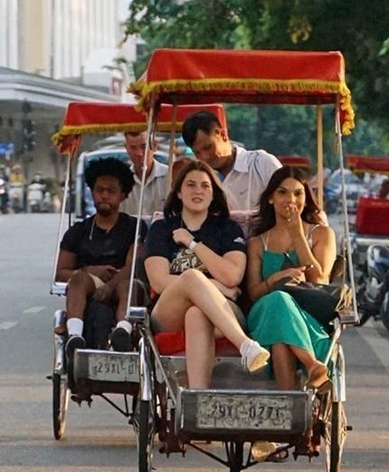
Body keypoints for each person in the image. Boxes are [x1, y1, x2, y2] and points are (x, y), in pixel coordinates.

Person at [144, 160, 270, 389]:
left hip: (224, 310)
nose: (198, 191)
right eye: (190, 185)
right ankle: (245, 346)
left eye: (205, 186)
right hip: (169, 309)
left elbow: (232, 276)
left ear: (213, 195)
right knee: (192, 277)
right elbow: (160, 281)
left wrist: (192, 244)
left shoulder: (227, 229)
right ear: (179, 193)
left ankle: (197, 397)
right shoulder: (161, 229)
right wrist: (213, 286)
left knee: (196, 313)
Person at [245, 166, 337, 392]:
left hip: (307, 315)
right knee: (278, 300)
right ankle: (311, 364)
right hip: (264, 311)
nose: (290, 199)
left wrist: (298, 235)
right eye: (282, 192)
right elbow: (254, 293)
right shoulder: (258, 243)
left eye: (298, 193)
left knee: (281, 340)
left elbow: (320, 278)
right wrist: (276, 278)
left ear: (306, 198)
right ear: (271, 199)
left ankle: (289, 409)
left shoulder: (322, 234)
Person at [57, 157, 147, 355]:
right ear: (92, 192)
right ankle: (75, 335)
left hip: (123, 280)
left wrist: (110, 285)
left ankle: (123, 331)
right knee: (78, 279)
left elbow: (134, 264)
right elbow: (60, 273)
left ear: (122, 195)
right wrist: (88, 270)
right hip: (90, 283)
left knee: (128, 284)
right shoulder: (78, 231)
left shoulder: (134, 227)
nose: (104, 195)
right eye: (99, 190)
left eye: (111, 191)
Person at [182, 111, 282, 232]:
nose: (205, 157)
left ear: (223, 135)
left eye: (208, 147)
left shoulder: (262, 164)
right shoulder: (199, 180)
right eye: (197, 153)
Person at [121, 131, 169, 217]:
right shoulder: (121, 181)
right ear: (126, 148)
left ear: (154, 145)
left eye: (144, 147)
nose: (139, 153)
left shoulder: (169, 176)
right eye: (133, 148)